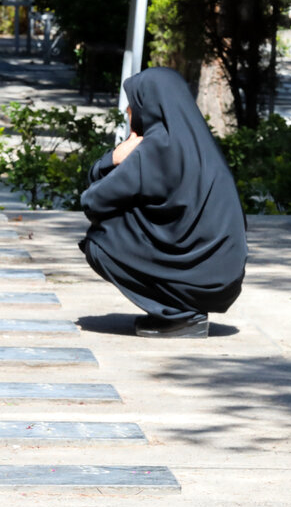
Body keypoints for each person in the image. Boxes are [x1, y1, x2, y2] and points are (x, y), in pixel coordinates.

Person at [80, 67, 248, 338]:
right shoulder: (198, 143)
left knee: (100, 241)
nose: (128, 112)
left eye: (133, 104)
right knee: (129, 215)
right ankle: (180, 308)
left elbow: (92, 201)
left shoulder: (157, 148)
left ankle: (182, 317)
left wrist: (111, 159)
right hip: (223, 277)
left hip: (202, 279)